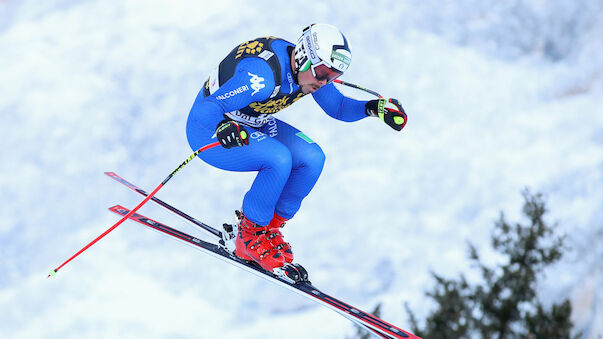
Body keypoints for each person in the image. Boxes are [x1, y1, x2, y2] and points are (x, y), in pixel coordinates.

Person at [186, 24, 407, 273]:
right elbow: (207, 108)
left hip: (251, 123)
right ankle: (248, 237)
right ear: (303, 57)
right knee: (279, 159)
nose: (324, 82)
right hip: (208, 130)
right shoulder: (261, 78)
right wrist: (222, 125)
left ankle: (267, 229)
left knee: (312, 158)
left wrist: (373, 108)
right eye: (323, 73)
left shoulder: (307, 73)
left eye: (332, 76)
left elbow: (338, 107)